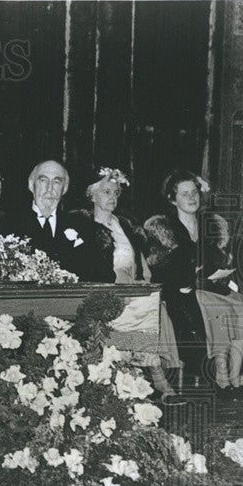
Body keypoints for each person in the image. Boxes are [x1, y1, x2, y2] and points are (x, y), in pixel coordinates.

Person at [144, 170, 243, 399]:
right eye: (184, 194)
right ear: (172, 199)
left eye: (194, 192)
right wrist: (189, 273)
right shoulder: (162, 229)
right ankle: (222, 380)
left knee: (242, 305)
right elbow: (160, 269)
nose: (192, 197)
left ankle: (236, 378)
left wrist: (219, 273)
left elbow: (221, 260)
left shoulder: (211, 224)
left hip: (211, 285)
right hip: (180, 291)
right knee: (218, 309)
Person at [72, 167, 177, 399]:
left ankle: (145, 376)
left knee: (149, 299)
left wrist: (142, 282)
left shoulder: (125, 224)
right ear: (92, 194)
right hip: (104, 289)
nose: (113, 197)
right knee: (136, 307)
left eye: (116, 193)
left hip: (132, 285)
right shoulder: (83, 224)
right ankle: (142, 378)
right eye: (107, 192)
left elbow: (139, 260)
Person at [14, 159, 97, 279]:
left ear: (64, 189)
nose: (49, 188)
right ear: (31, 185)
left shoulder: (82, 225)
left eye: (57, 182)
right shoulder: (11, 224)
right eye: (43, 181)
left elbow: (100, 272)